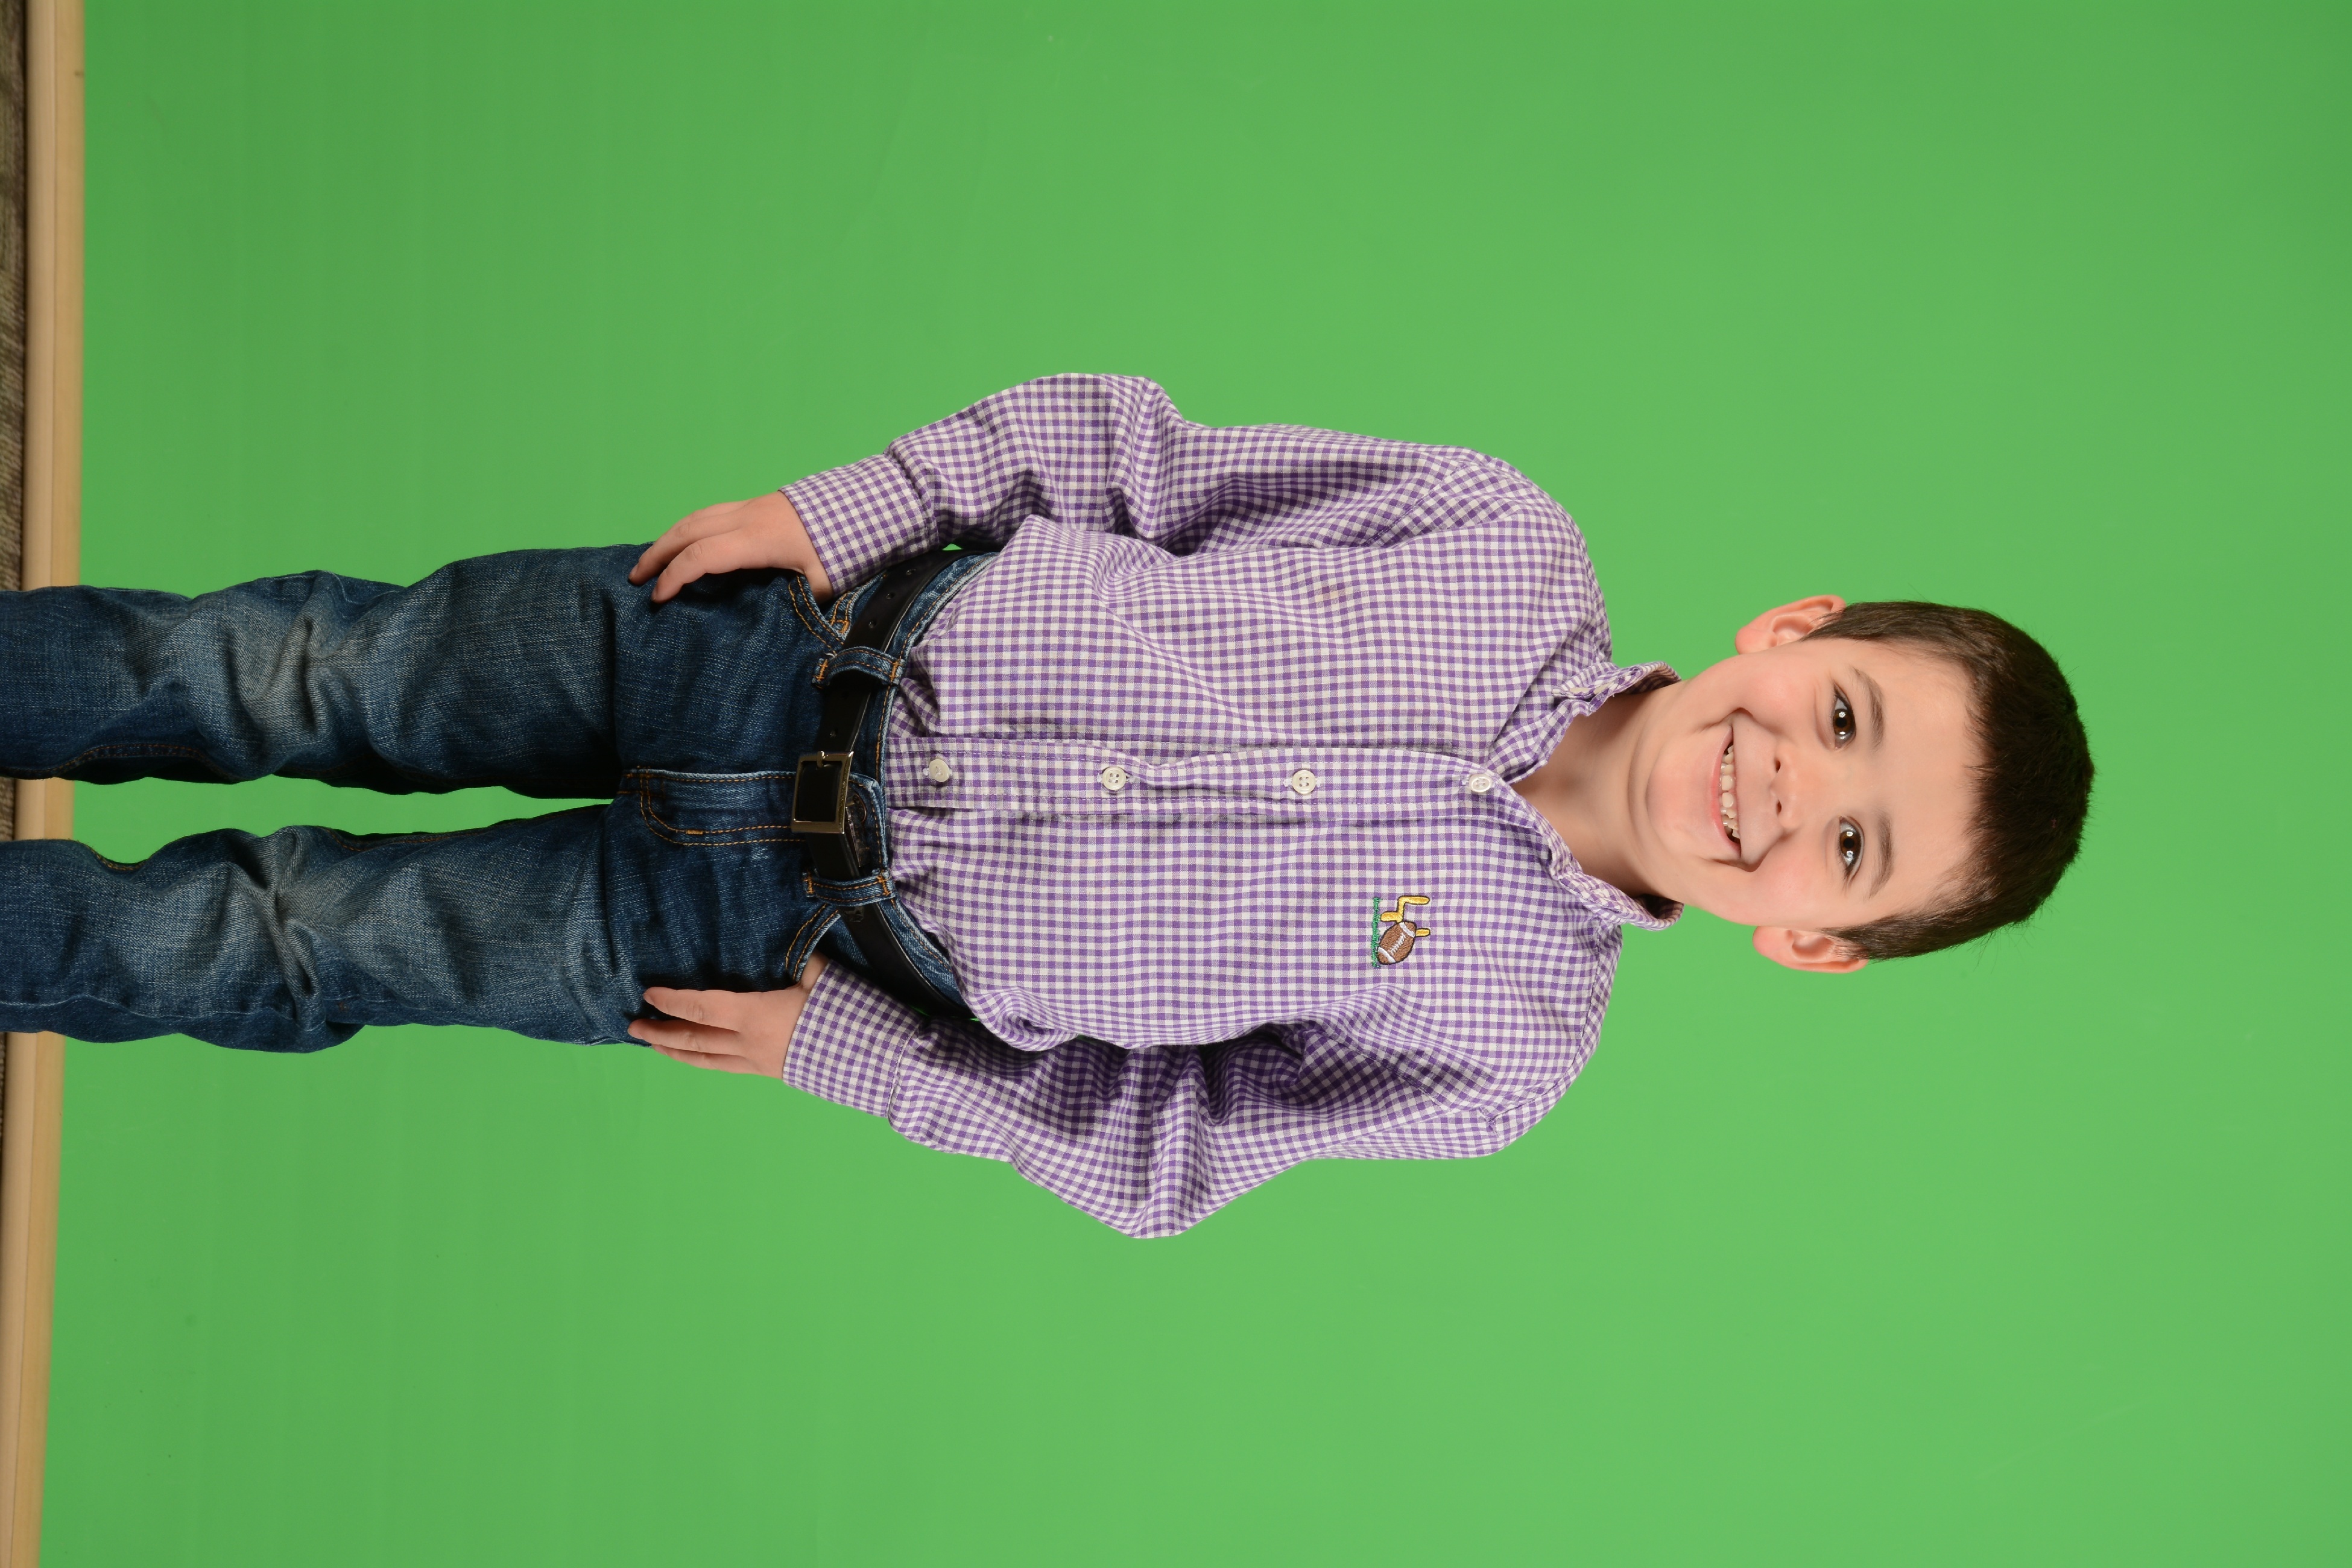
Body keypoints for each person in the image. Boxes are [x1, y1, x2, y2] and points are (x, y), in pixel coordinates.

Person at [0, 375, 2092, 1236]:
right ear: (1792, 626)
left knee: (288, 939)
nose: (1784, 784)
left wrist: (845, 1054)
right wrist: (844, 509)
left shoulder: (1505, 1045)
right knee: (301, 667)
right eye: (1836, 714)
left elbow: (1156, 1142)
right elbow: (1126, 458)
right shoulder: (1495, 538)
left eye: (1849, 843)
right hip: (772, 644)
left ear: (1812, 939)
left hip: (780, 940)